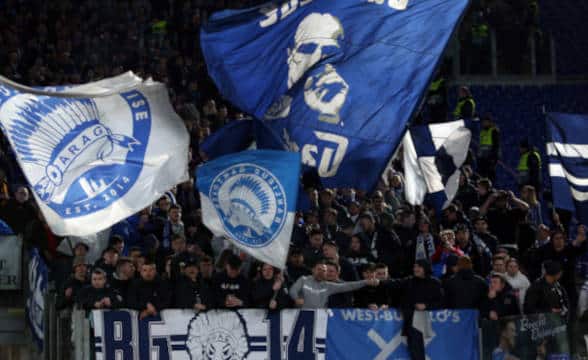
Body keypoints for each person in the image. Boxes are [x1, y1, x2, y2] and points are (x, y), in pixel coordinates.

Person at [380, 260, 444, 360]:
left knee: (419, 349)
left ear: (425, 268)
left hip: (430, 320)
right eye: (414, 267)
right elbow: (395, 283)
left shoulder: (435, 283)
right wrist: (379, 281)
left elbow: (441, 302)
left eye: (419, 267)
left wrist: (426, 305)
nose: (415, 269)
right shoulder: (409, 281)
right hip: (411, 319)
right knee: (414, 348)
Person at [289, 259, 378, 308]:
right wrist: (296, 299)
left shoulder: (328, 286)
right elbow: (293, 290)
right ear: (313, 270)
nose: (321, 272)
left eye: (323, 271)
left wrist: (366, 281)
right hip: (301, 316)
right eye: (318, 269)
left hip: (319, 319)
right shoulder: (304, 279)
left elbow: (348, 286)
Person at [477, 114, 500, 182]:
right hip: (482, 158)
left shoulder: (493, 131)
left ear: (490, 122)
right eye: (483, 122)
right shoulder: (482, 132)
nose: (484, 123)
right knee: (481, 175)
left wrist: (494, 158)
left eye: (486, 121)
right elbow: (481, 145)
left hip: (489, 158)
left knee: (490, 175)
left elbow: (496, 145)